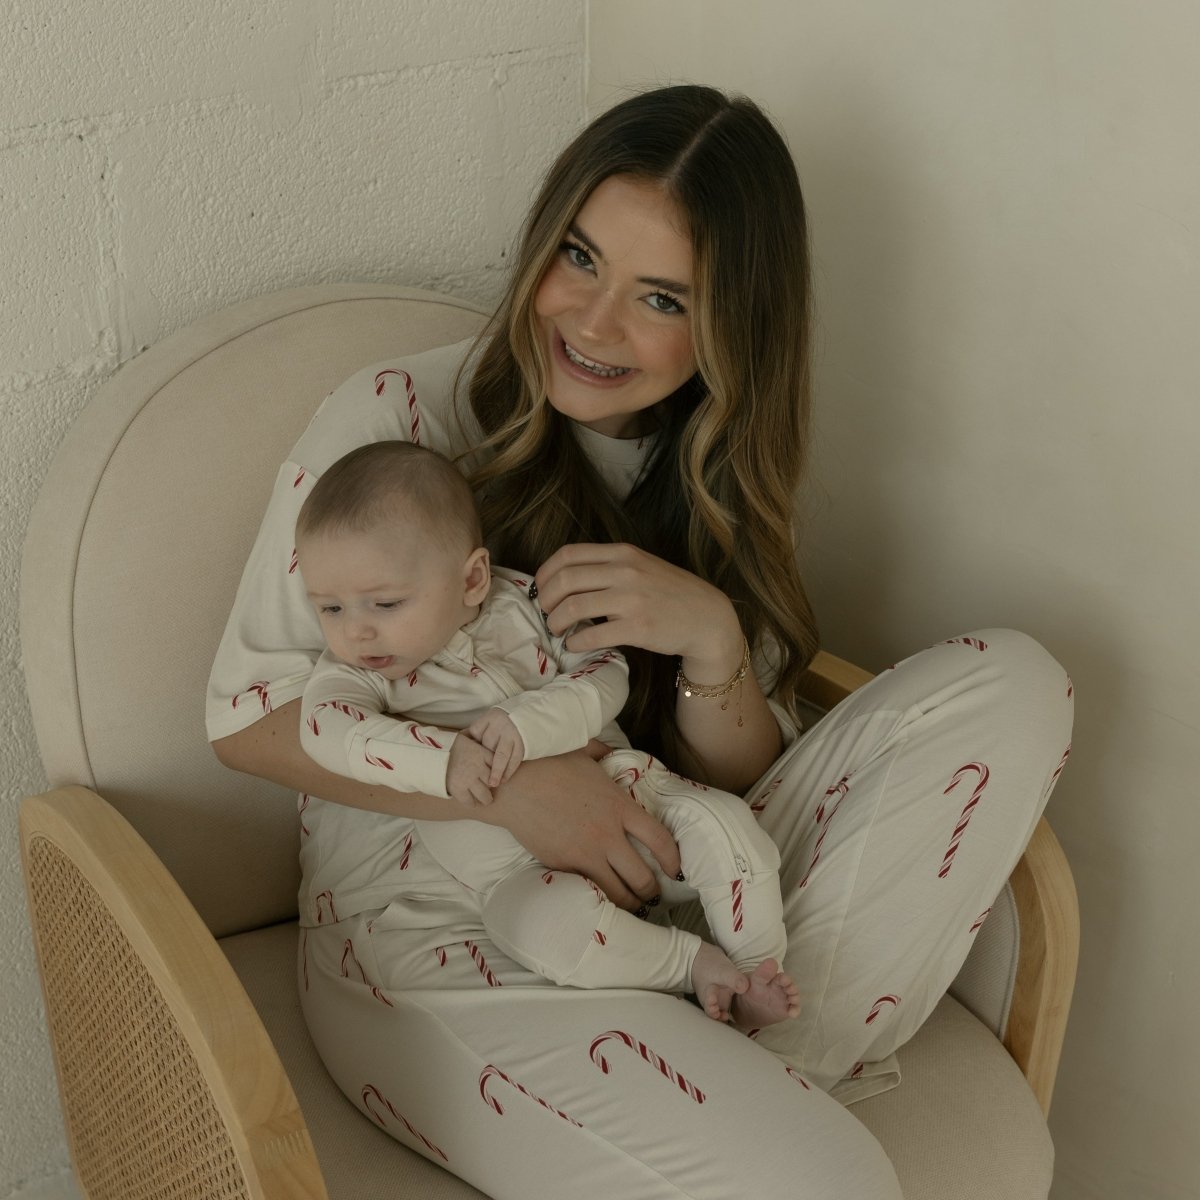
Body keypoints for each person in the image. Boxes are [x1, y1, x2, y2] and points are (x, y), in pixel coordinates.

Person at [208, 84, 1073, 1198]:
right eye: (578, 257)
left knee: (1019, 681)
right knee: (832, 1180)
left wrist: (712, 643)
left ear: (728, 329)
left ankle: (729, 1028)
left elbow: (763, 788)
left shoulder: (712, 472)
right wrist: (513, 791)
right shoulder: (397, 421)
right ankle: (751, 1069)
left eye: (661, 297)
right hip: (439, 937)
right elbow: (244, 723)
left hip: (668, 883)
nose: (593, 321)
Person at [294, 438, 799, 1026]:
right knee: (550, 934)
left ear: (472, 579)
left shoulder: (527, 606)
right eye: (329, 609)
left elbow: (606, 672)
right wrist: (445, 760)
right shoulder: (356, 676)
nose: (355, 632)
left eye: (383, 603)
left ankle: (759, 968)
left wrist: (524, 725)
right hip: (511, 878)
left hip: (626, 797)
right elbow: (325, 729)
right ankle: (690, 966)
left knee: (724, 827)